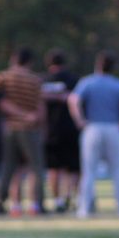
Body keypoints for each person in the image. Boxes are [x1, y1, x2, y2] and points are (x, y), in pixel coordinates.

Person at [0, 47, 46, 216]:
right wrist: (32, 118)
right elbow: (41, 107)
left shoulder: (4, 76)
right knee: (36, 167)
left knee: (8, 168)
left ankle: (0, 202)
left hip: (10, 128)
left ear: (13, 59)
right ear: (30, 62)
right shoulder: (36, 80)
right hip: (30, 129)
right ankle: (36, 204)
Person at [68, 51, 119, 219]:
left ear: (97, 65)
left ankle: (84, 209)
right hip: (114, 129)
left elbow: (73, 99)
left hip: (92, 128)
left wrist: (80, 120)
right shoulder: (117, 84)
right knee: (118, 171)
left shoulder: (88, 82)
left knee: (88, 171)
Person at [43, 49, 81, 213]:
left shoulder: (43, 81)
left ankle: (57, 200)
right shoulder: (74, 80)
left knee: (53, 168)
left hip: (50, 130)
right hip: (71, 128)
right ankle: (69, 197)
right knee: (72, 167)